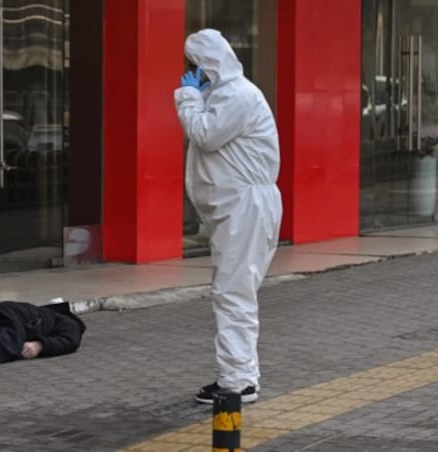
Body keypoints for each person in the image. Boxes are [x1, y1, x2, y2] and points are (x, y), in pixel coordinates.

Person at [173, 29, 283, 404]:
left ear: (206, 65)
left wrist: (188, 95)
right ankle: (239, 375)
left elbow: (204, 134)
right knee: (235, 292)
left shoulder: (236, 95)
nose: (190, 74)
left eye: (194, 67)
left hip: (245, 208)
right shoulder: (228, 94)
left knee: (233, 293)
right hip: (240, 208)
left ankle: (238, 382)